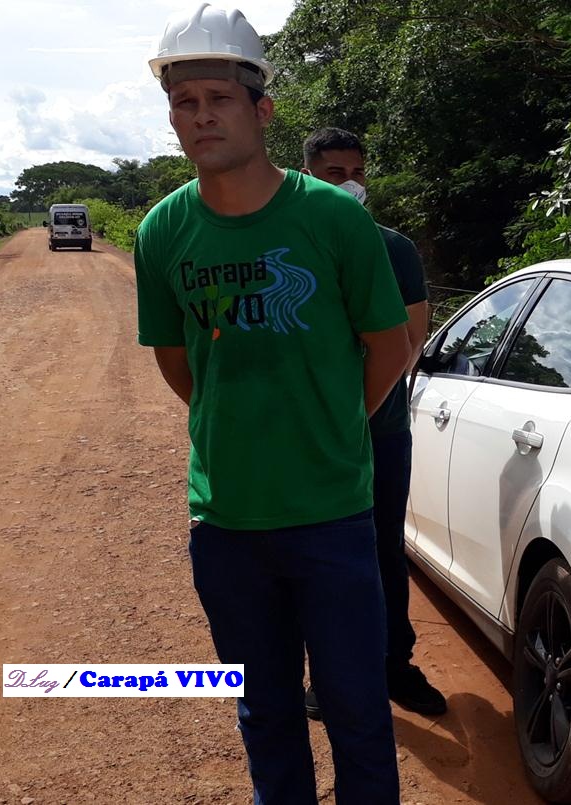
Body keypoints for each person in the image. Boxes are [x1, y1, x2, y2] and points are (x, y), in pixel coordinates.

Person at [134, 6, 411, 802]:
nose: (201, 116)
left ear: (262, 109)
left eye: (219, 98)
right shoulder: (162, 231)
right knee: (265, 709)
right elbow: (179, 362)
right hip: (225, 522)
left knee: (358, 708)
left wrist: (329, 425)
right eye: (184, 103)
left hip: (331, 515)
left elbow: (388, 346)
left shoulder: (333, 219)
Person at [299, 126, 446, 717]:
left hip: (380, 432)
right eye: (334, 174)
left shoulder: (393, 249)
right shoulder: (290, 244)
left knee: (382, 550)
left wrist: (355, 414)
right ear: (307, 174)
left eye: (357, 172)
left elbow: (410, 340)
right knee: (315, 555)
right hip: (307, 435)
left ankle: (394, 665)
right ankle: (328, 675)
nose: (350, 184)